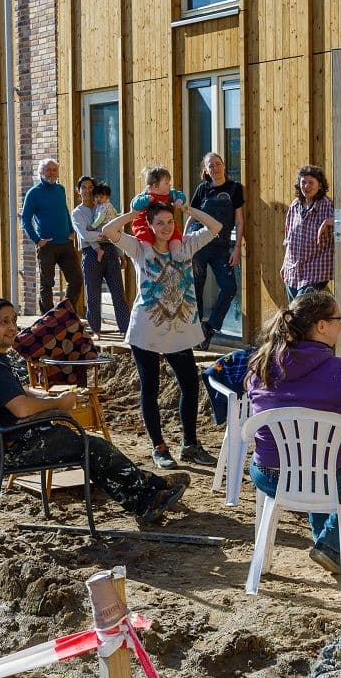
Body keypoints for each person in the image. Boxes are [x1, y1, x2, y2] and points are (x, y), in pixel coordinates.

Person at [0, 298, 188, 523]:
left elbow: (10, 392)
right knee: (93, 447)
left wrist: (42, 396)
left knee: (88, 446)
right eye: (4, 322)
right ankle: (146, 500)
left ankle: (152, 485)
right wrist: (58, 404)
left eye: (14, 320)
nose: (13, 327)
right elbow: (22, 408)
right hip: (16, 448)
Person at [246, 291, 341, 574]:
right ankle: (330, 543)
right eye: (340, 318)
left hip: (269, 476)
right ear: (322, 326)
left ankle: (325, 544)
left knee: (316, 459)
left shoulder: (261, 365)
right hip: (330, 477)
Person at [103, 198, 222, 469]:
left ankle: (190, 445)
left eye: (170, 222)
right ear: (150, 225)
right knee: (151, 388)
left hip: (179, 331)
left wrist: (188, 210)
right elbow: (109, 231)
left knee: (190, 385)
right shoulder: (139, 248)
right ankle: (159, 447)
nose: (166, 227)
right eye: (160, 223)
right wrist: (134, 212)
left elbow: (215, 227)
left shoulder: (186, 245)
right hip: (146, 331)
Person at [188, 152, 245, 349]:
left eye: (218, 164)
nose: (215, 168)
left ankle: (210, 327)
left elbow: (239, 221)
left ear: (224, 165)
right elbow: (192, 215)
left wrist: (237, 248)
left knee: (229, 287)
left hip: (221, 248)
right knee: (196, 288)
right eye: (211, 165)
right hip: (198, 245)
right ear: (206, 170)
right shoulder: (202, 188)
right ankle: (196, 335)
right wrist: (185, 241)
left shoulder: (234, 188)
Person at [21, 158, 83, 314]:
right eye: (48, 170)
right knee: (47, 284)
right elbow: (25, 218)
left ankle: (66, 314)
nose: (52, 173)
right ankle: (48, 318)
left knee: (76, 279)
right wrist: (37, 240)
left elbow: (65, 211)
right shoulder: (34, 193)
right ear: (41, 172)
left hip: (66, 243)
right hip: (47, 245)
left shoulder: (60, 189)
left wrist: (71, 231)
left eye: (54, 170)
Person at [71, 177, 129, 335]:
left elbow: (116, 230)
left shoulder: (104, 207)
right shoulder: (77, 213)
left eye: (90, 187)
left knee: (118, 292)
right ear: (78, 191)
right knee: (93, 295)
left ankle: (125, 329)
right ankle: (95, 330)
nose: (87, 190)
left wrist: (122, 255)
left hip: (110, 251)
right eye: (83, 187)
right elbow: (84, 235)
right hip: (90, 254)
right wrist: (104, 235)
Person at [281, 165, 335, 302]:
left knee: (301, 307)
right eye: (303, 182)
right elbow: (288, 239)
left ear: (320, 185)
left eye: (311, 182)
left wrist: (329, 221)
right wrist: (284, 265)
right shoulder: (295, 205)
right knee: (295, 310)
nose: (306, 186)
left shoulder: (327, 204)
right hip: (292, 271)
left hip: (315, 271)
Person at [131, 167, 187, 261]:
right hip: (144, 222)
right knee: (143, 234)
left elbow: (181, 195)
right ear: (155, 186)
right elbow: (134, 204)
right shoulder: (146, 194)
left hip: (163, 222)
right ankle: (147, 250)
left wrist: (179, 200)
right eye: (166, 183)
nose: (170, 185)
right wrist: (146, 200)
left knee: (175, 234)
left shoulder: (170, 194)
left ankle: (176, 252)